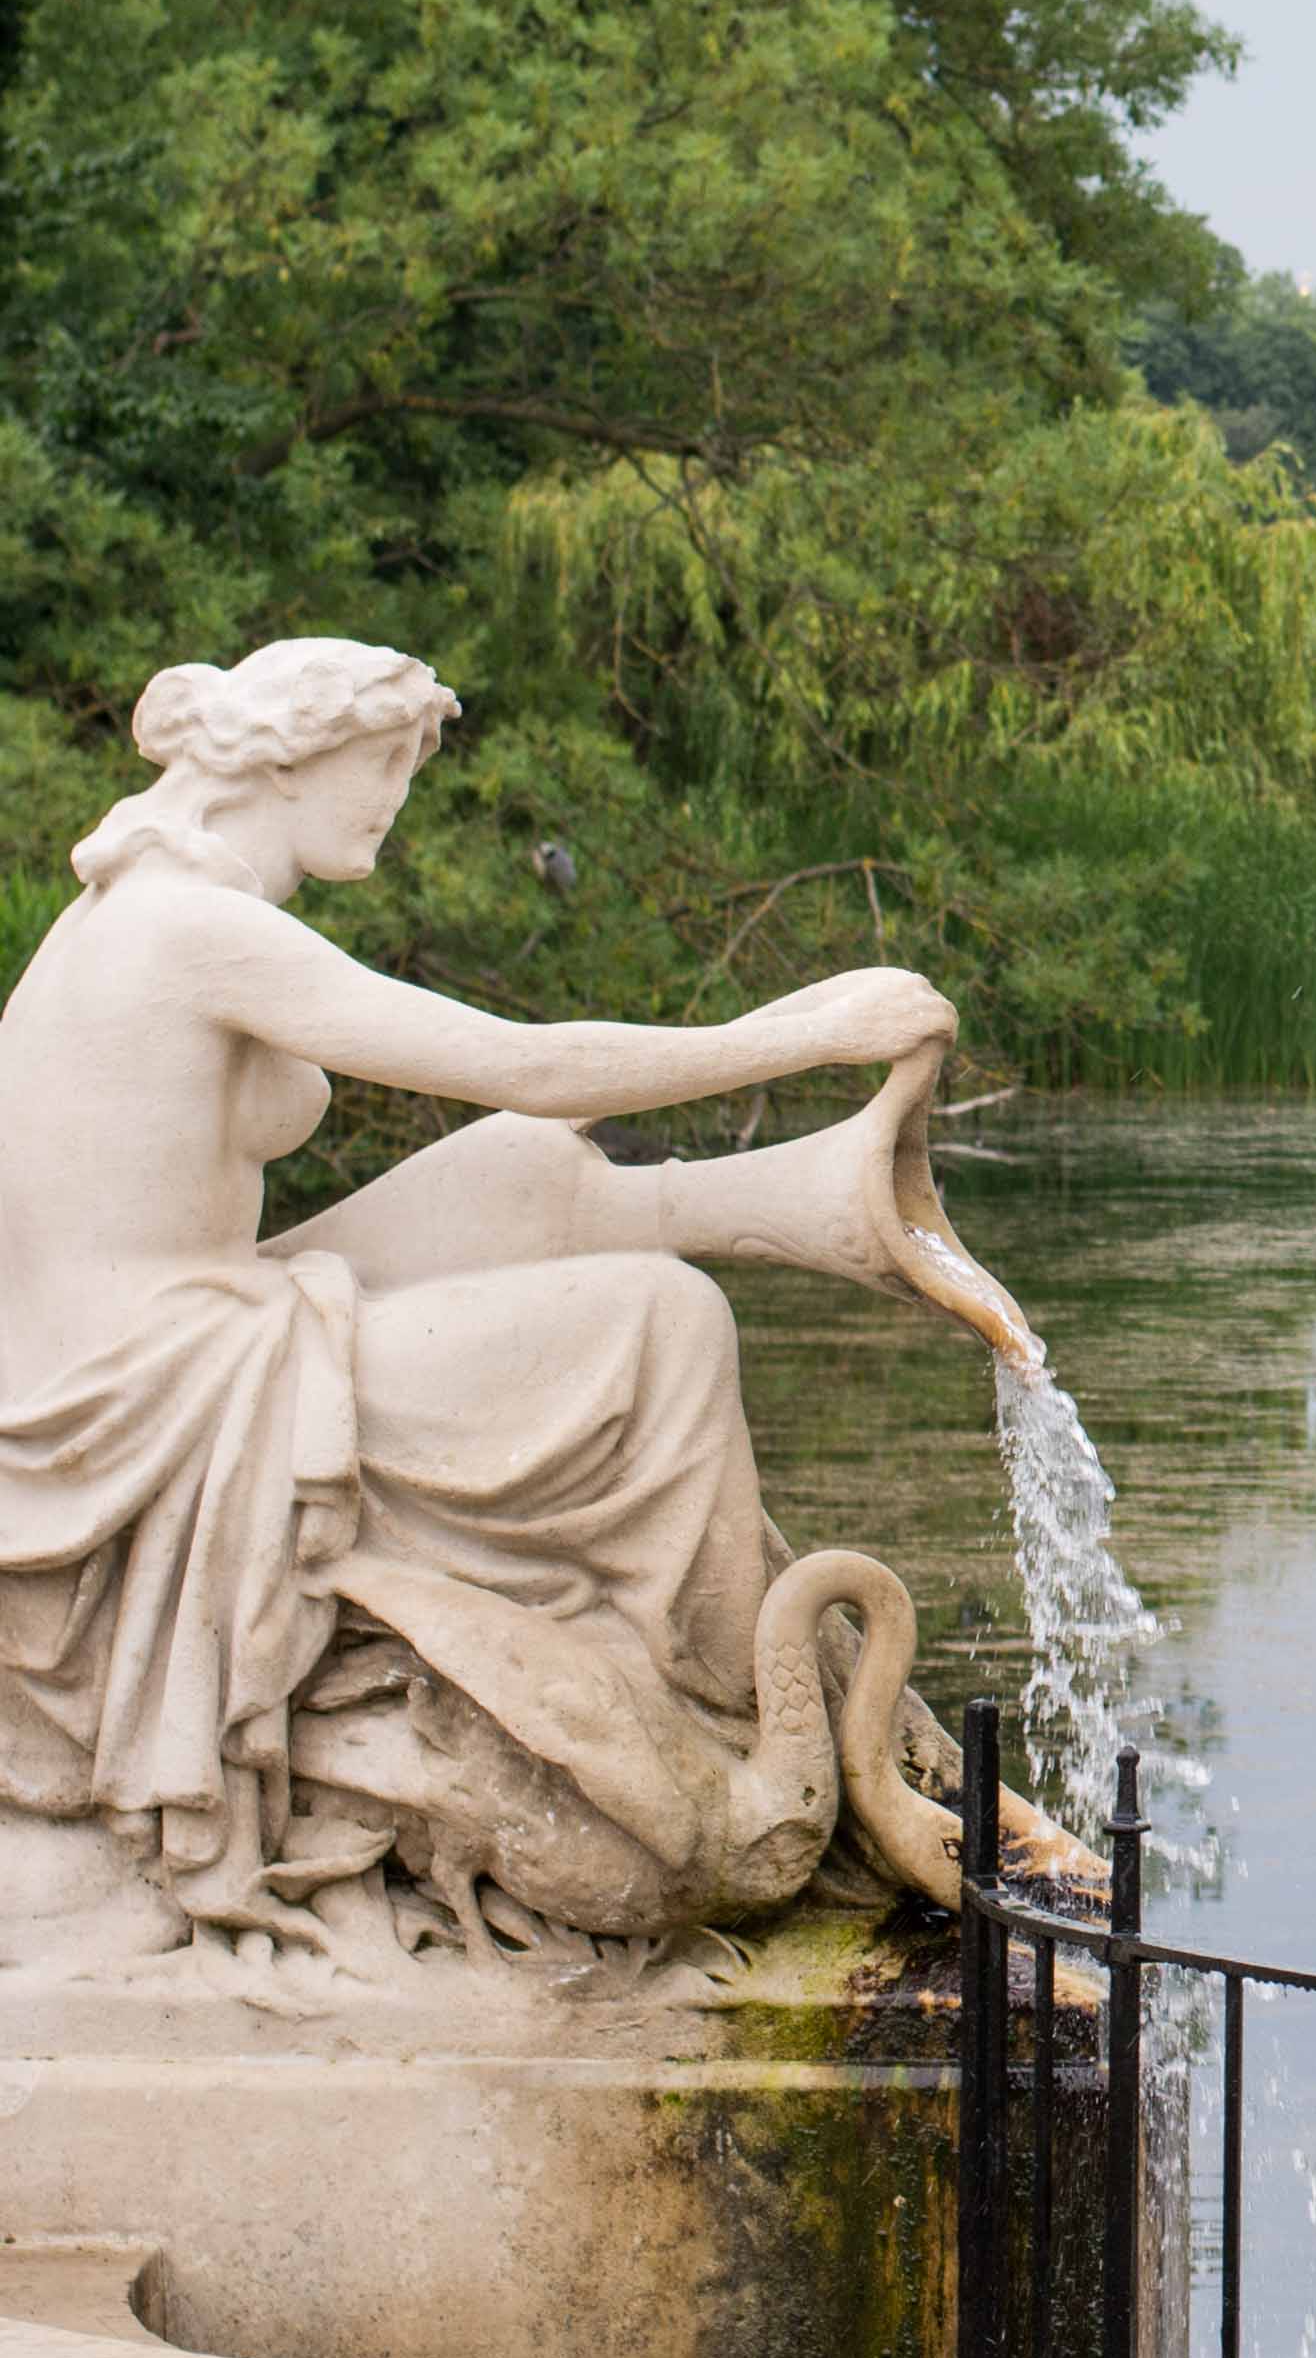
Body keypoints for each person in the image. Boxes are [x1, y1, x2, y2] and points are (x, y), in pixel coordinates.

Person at [0, 641, 952, 1952]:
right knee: (664, 1326)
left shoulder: (128, 909)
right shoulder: (194, 930)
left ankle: (803, 1203)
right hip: (152, 1404)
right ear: (291, 758)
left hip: (165, 1340)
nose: (397, 797)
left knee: (514, 1164)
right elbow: (529, 1061)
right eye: (386, 762)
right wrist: (803, 1033)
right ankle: (735, 1698)